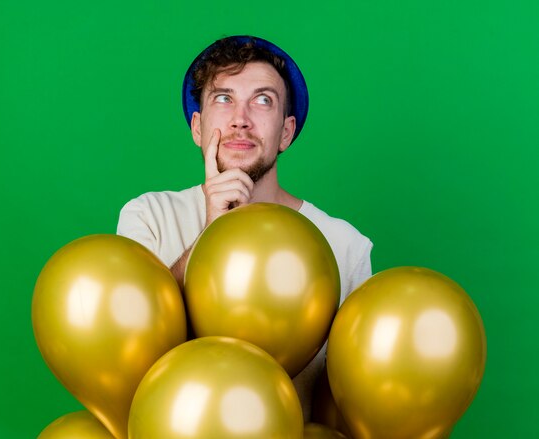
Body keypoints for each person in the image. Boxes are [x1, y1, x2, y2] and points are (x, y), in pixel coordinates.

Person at [116, 35, 373, 421]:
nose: (241, 118)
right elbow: (126, 351)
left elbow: (356, 396)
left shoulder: (344, 245)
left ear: (286, 132)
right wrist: (211, 234)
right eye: (224, 98)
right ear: (197, 128)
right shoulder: (148, 216)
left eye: (263, 100)